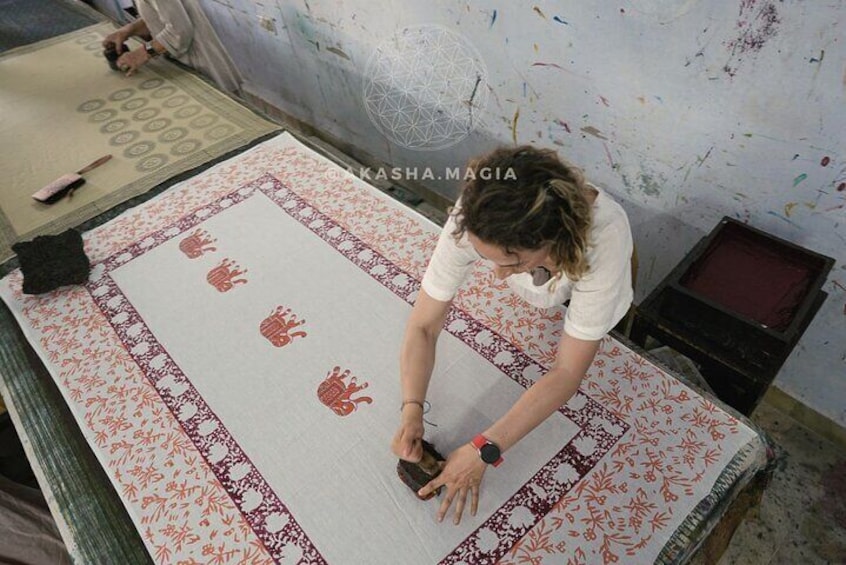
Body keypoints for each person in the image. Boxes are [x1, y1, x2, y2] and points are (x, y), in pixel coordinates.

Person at [391, 145, 633, 525]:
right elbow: (424, 324)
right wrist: (411, 410)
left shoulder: (604, 241)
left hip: (586, 286)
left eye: (510, 263)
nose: (498, 276)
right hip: (544, 273)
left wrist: (485, 449)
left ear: (550, 243)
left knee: (589, 336)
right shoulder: (474, 218)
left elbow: (567, 373)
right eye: (486, 259)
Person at [101, 0, 242, 95]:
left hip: (202, 64)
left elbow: (180, 30)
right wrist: (129, 30)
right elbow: (163, 14)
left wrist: (142, 53)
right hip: (185, 65)